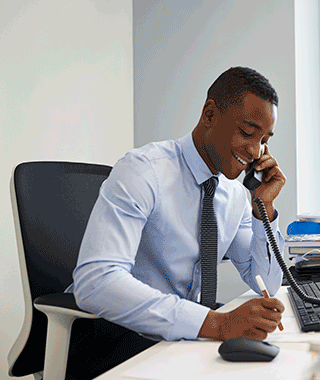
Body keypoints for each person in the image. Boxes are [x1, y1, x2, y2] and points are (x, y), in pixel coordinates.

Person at [69, 67, 286, 353]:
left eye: (264, 141)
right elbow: (96, 282)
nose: (256, 152)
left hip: (179, 337)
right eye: (247, 132)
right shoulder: (144, 171)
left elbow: (267, 283)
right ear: (210, 114)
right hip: (114, 334)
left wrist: (264, 208)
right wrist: (217, 324)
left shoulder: (234, 195)